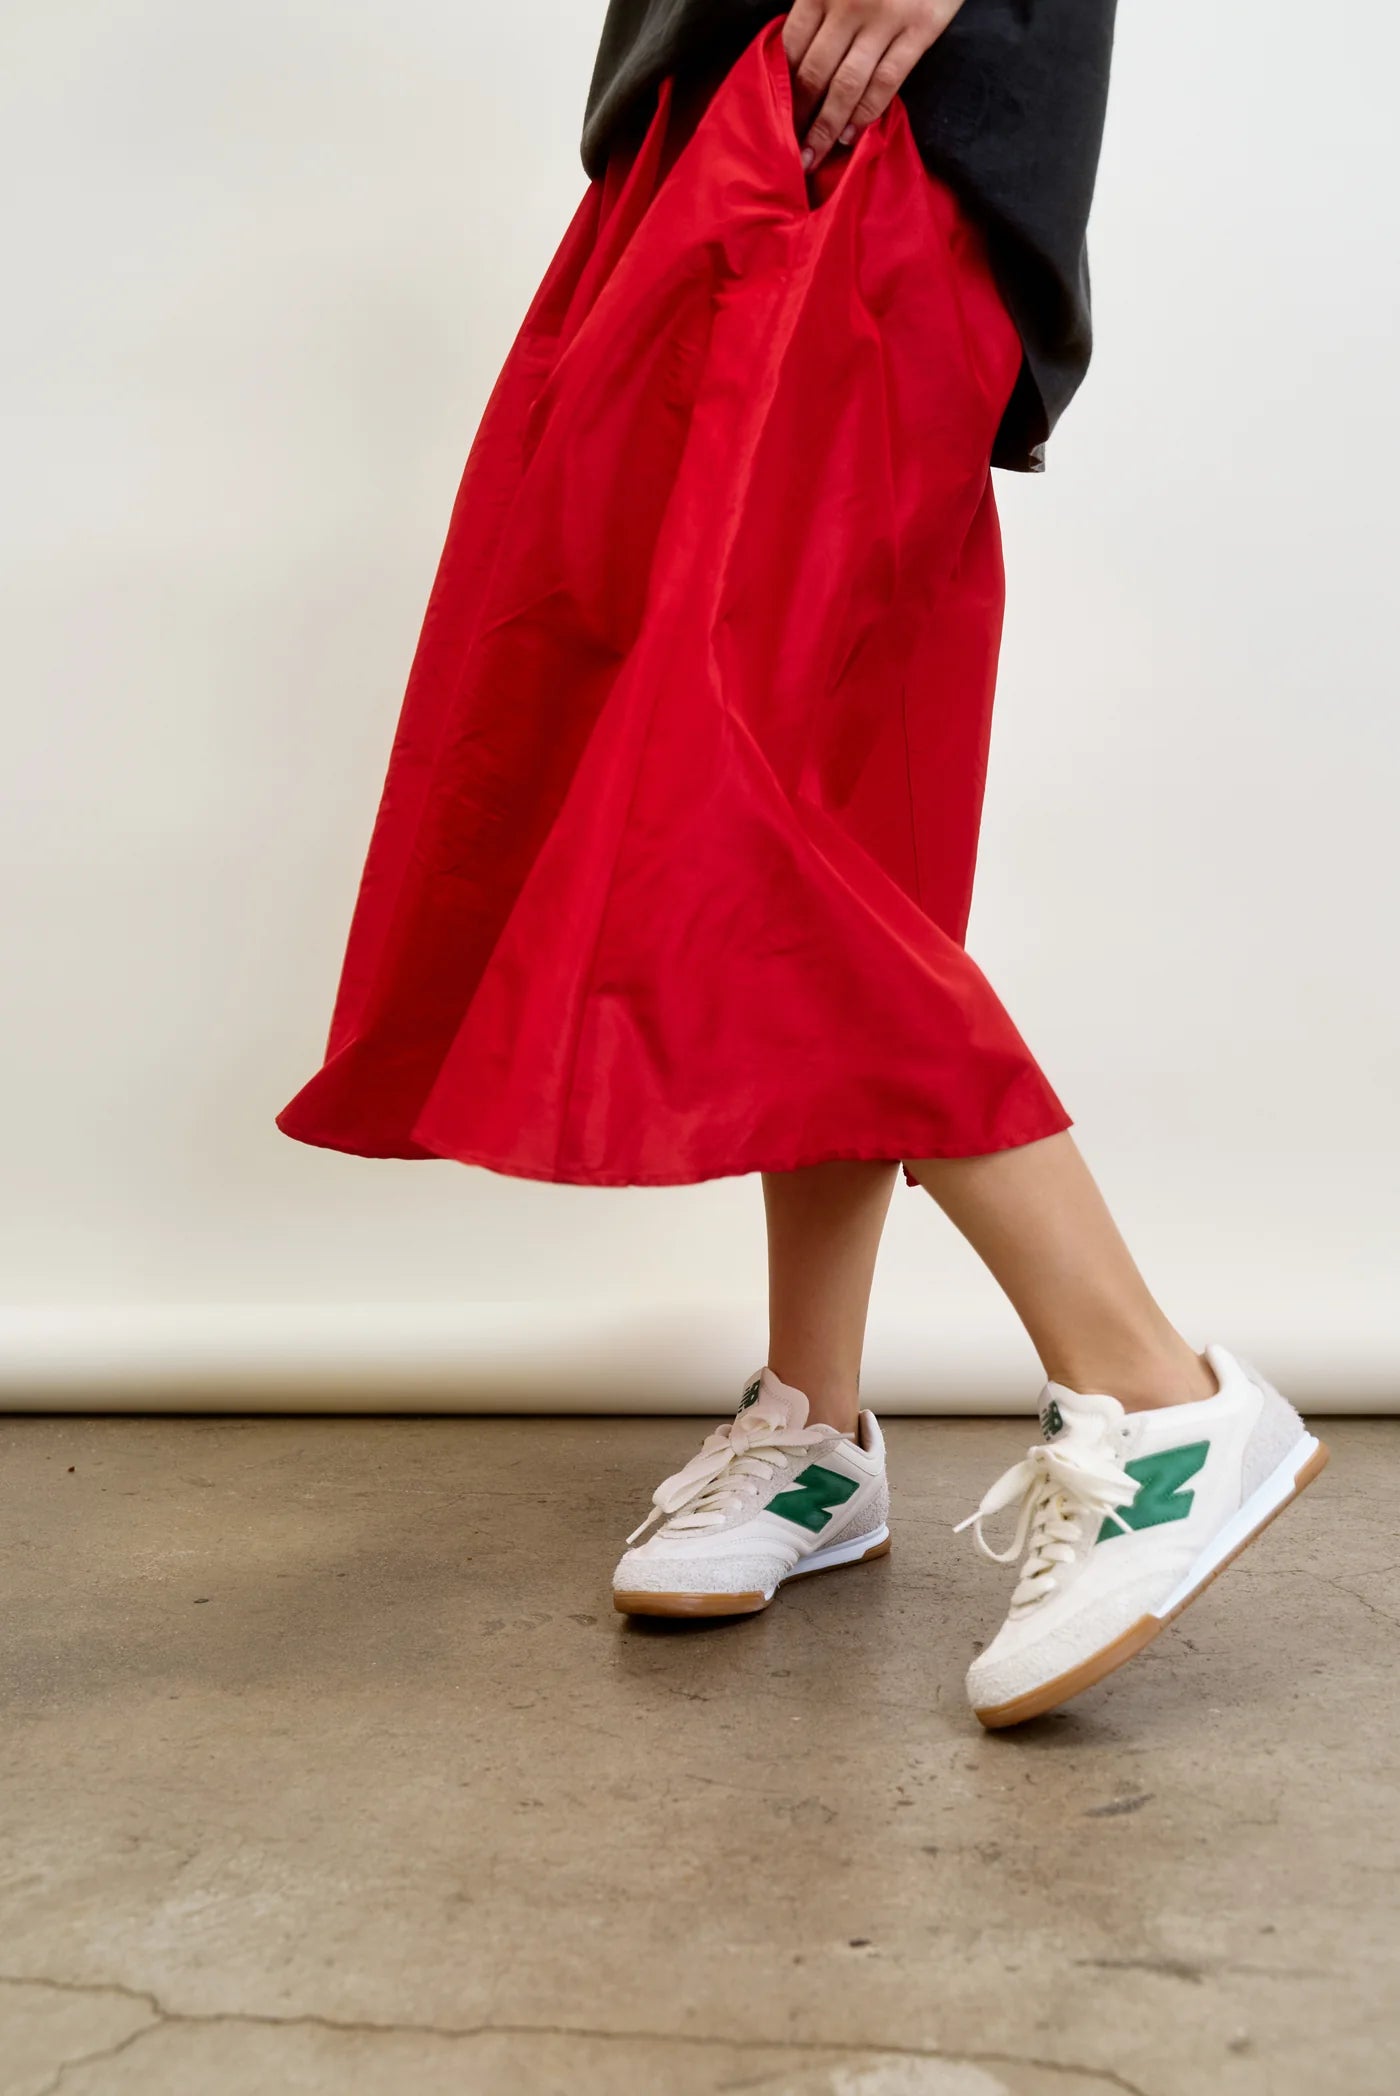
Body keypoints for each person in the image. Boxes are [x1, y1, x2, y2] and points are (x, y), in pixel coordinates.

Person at [278, 2, 1327, 1727]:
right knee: (804, 779)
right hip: (719, 96)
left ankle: (1153, 1388)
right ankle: (817, 1426)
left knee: (727, 790)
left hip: (864, 112)